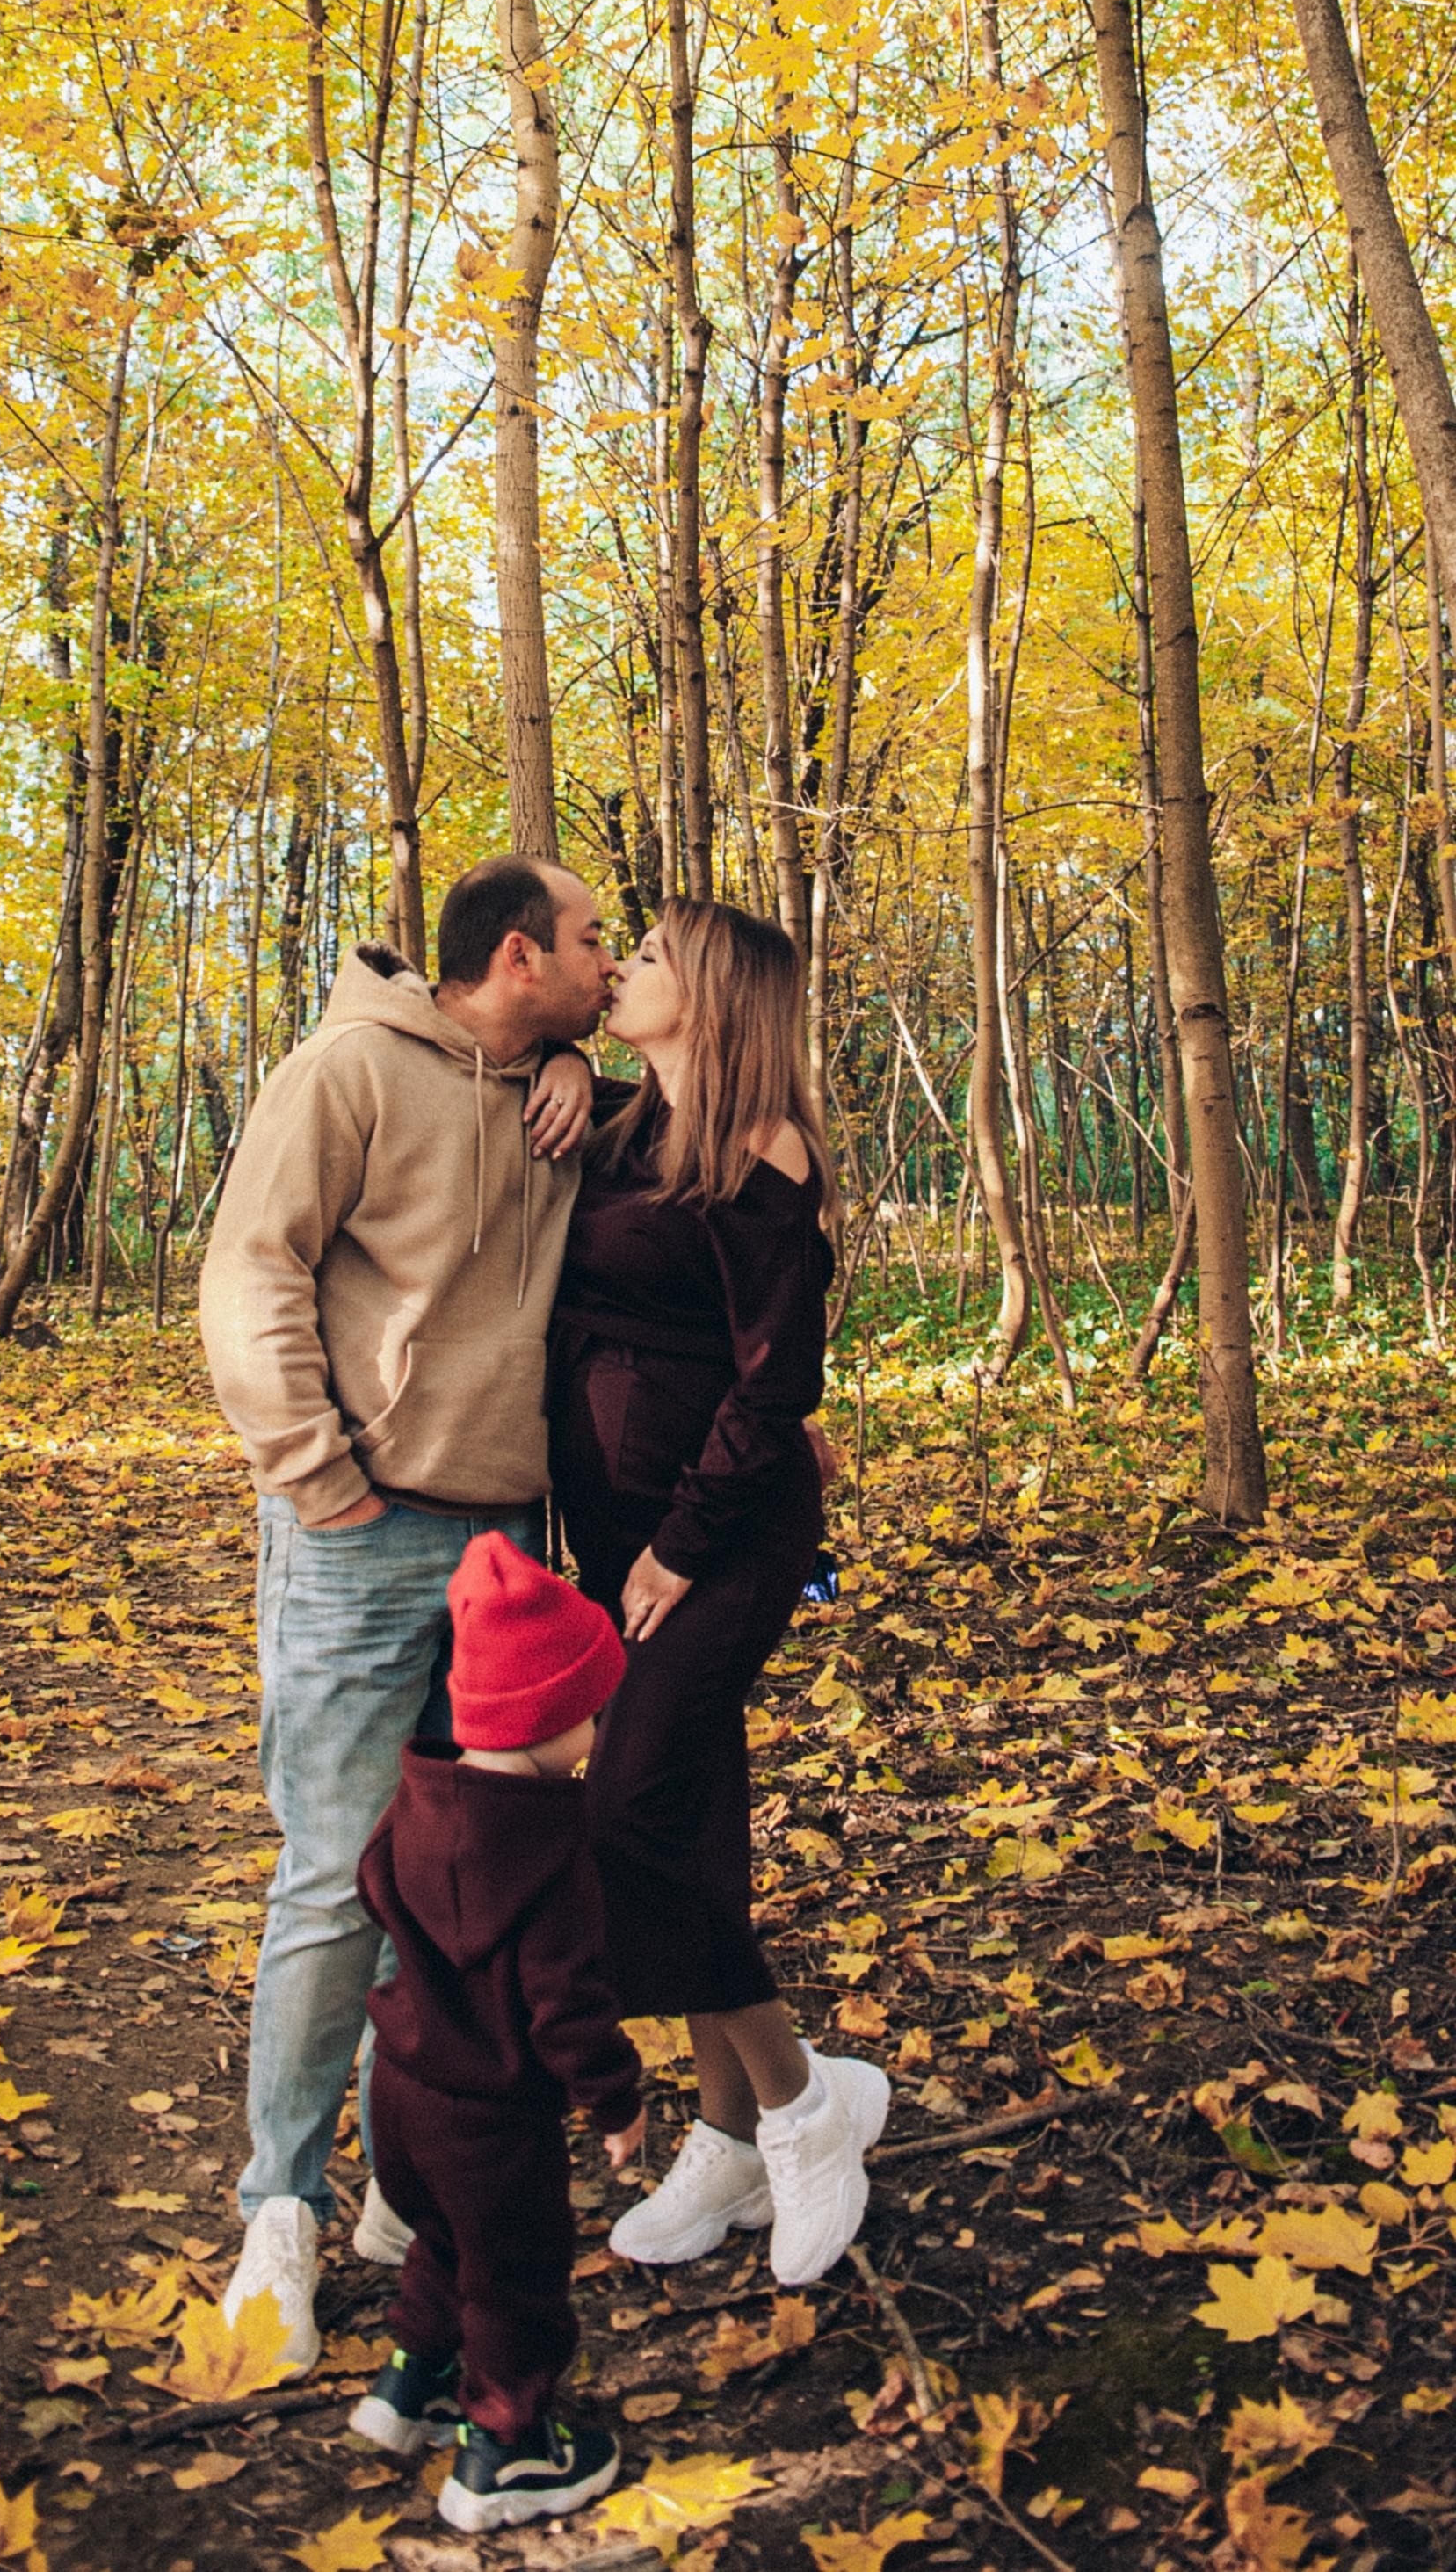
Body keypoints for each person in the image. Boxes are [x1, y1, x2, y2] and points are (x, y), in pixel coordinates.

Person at [198, 857, 617, 2369]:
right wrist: (317, 1473)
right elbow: (251, 1269)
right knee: (332, 1875)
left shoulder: (548, 1086)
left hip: (503, 1540)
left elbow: (689, 1100)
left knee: (460, 1879)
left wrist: (574, 1058)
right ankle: (278, 2211)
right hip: (361, 1534)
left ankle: (409, 2189)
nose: (609, 959)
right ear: (517, 953)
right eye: (590, 944)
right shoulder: (344, 1071)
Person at [548, 896, 889, 2282]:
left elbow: (777, 1381)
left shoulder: (768, 1151)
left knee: (629, 1816)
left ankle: (808, 2105)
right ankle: (728, 2132)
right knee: (690, 1820)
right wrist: (569, 1067)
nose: (621, 968)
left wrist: (680, 1546)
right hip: (616, 1528)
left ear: (717, 995)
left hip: (718, 1541)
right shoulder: (627, 1127)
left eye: (650, 956)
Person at [350, 1530, 643, 2533]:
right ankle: (507, 2444)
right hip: (489, 2115)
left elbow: (371, 1888)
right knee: (513, 2275)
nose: (597, 1731)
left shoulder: (419, 1793)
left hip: (400, 2087)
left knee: (439, 2239)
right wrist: (613, 2097)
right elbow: (566, 2002)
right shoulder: (550, 1855)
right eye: (589, 1712)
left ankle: (409, 2382)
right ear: (547, 1716)